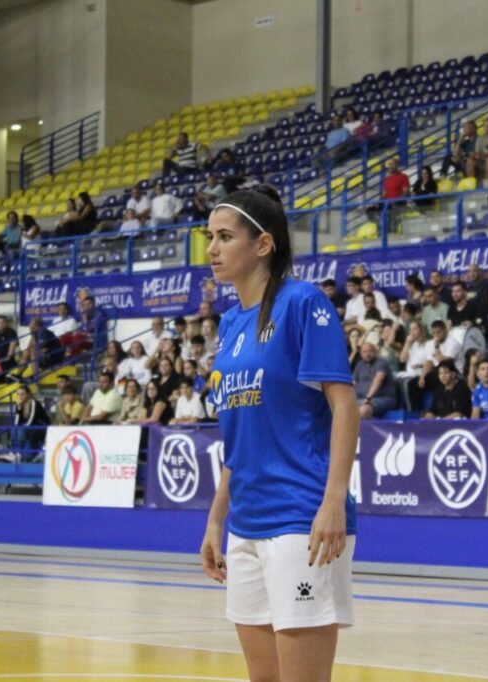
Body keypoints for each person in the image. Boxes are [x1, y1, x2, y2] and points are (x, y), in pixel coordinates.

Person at [200, 187, 358, 682]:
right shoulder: (229, 324)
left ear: (263, 244)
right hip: (245, 522)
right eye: (210, 237)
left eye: (225, 237)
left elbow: (345, 405)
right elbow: (242, 437)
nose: (212, 249)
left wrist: (333, 501)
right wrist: (214, 521)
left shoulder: (302, 302)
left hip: (301, 518)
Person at [353, 342, 397, 419]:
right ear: (361, 354)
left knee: (364, 410)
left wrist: (368, 398)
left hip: (383, 399)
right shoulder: (359, 365)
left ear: (375, 352)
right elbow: (354, 383)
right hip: (361, 400)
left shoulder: (381, 362)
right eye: (365, 352)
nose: (368, 354)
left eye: (370, 351)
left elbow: (378, 379)